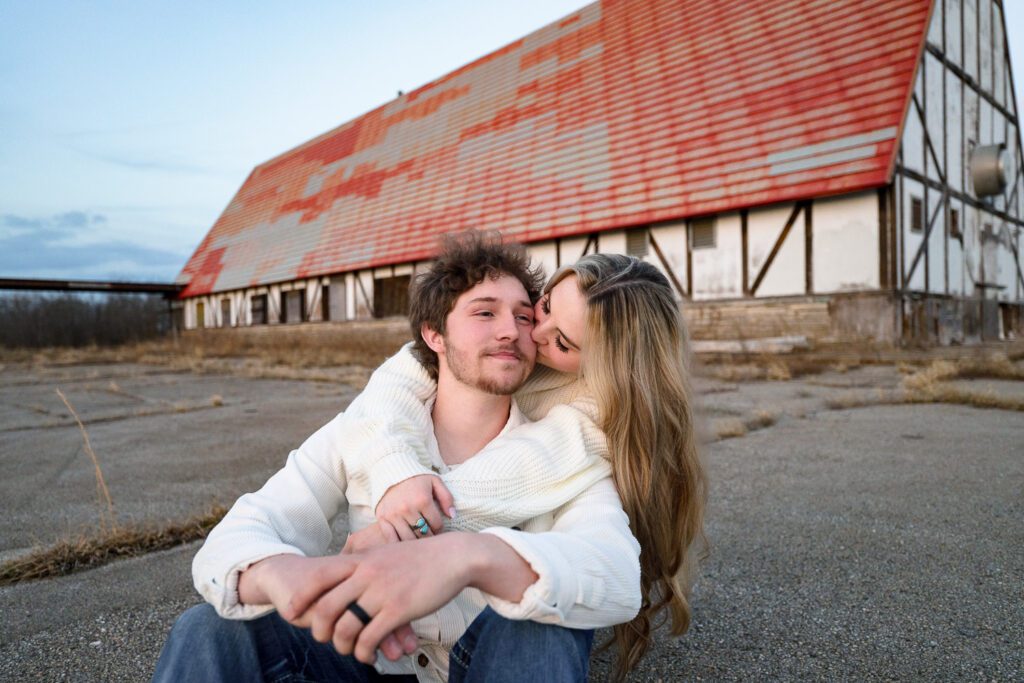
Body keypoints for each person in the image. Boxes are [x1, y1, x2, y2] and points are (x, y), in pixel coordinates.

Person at [152, 232, 642, 683]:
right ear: (433, 335)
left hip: (477, 665)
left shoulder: (565, 457)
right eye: (485, 312)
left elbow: (617, 572)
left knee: (545, 621)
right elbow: (238, 535)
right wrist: (282, 576)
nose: (513, 331)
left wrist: (470, 555)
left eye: (522, 315)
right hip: (362, 661)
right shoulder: (367, 428)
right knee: (209, 627)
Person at [351, 249, 708, 679]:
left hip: (517, 584)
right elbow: (401, 373)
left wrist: (406, 523)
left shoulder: (598, 414)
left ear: (607, 367)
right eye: (546, 307)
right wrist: (397, 471)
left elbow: (513, 474)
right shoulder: (503, 338)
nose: (534, 334)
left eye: (562, 343)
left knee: (540, 618)